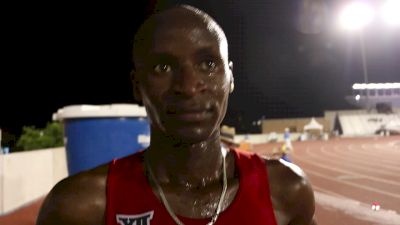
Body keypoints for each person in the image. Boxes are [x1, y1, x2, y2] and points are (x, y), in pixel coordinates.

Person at [37, 4, 316, 225]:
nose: (189, 87)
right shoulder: (80, 206)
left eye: (207, 63)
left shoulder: (286, 191)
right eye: (163, 67)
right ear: (137, 86)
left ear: (230, 77)